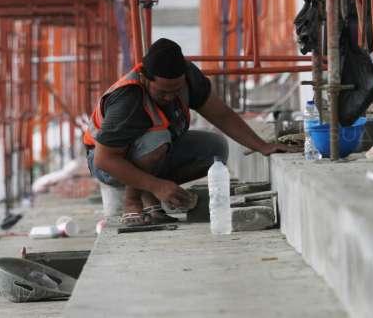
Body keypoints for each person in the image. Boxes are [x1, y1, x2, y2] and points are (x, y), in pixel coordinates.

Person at [83, 38, 296, 226]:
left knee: (215, 150)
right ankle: (132, 201)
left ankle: (148, 193)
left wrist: (262, 146)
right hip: (107, 163)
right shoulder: (127, 99)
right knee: (157, 139)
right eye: (163, 92)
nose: (170, 97)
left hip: (154, 151)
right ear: (145, 78)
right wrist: (157, 185)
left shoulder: (189, 77)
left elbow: (221, 114)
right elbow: (105, 159)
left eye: (175, 90)